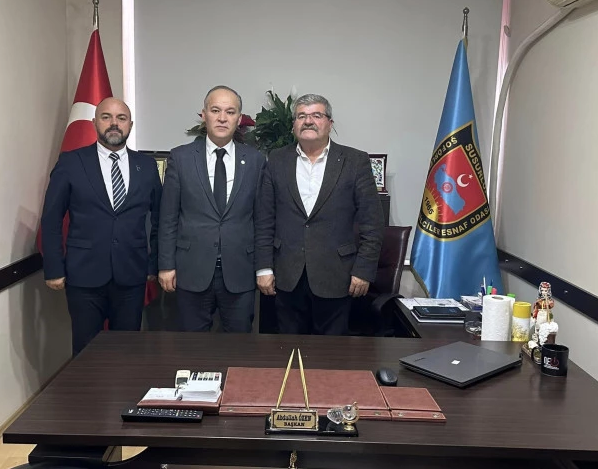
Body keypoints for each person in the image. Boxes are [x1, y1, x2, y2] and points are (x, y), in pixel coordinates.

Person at [40, 97, 161, 355]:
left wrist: (153, 265)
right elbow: (51, 219)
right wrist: (53, 268)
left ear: (130, 125)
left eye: (121, 118)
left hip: (131, 275)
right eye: (106, 117)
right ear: (95, 122)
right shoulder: (71, 163)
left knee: (127, 351)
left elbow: (160, 218)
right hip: (84, 276)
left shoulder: (147, 166)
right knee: (86, 353)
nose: (114, 123)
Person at [255, 93, 384, 335]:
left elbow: (372, 223)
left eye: (316, 115)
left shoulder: (355, 161)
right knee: (288, 351)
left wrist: (363, 270)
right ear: (294, 124)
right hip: (286, 277)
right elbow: (264, 220)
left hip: (337, 276)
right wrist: (263, 268)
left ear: (329, 123)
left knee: (331, 353)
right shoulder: (277, 160)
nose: (308, 121)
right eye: (301, 116)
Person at [158, 86, 265, 332]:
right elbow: (168, 217)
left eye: (230, 112)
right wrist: (166, 265)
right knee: (193, 346)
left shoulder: (256, 160)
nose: (222, 118)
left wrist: (263, 267)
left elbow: (261, 220)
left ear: (239, 119)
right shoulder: (181, 158)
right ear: (203, 114)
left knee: (239, 345)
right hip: (191, 269)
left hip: (239, 271)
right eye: (215, 110)